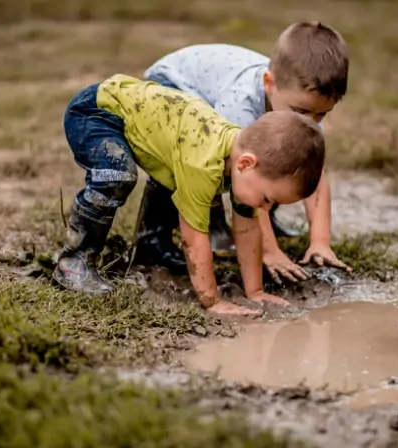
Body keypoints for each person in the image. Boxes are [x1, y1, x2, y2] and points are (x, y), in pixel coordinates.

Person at [52, 74, 326, 317]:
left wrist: (254, 291)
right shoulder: (203, 164)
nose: (267, 206)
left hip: (142, 120)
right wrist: (212, 300)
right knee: (117, 175)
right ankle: (74, 261)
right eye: (268, 198)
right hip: (97, 112)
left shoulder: (242, 162)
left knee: (173, 179)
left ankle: (151, 249)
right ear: (246, 163)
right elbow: (194, 238)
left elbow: (247, 229)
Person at [135, 21, 351, 283]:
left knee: (287, 160)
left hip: (211, 88)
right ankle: (154, 238)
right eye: (303, 112)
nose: (311, 121)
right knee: (198, 161)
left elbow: (315, 176)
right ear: (269, 83)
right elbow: (247, 176)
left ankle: (263, 223)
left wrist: (320, 242)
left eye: (322, 113)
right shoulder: (240, 103)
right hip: (174, 85)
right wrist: (268, 252)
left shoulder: (304, 113)